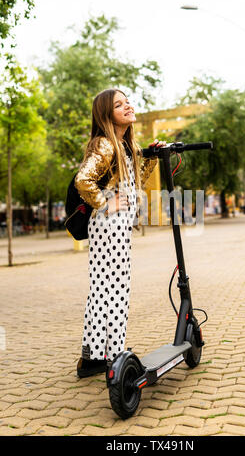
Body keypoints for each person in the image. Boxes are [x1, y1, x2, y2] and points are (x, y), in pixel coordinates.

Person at [75, 88, 166, 378]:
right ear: (106, 114)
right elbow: (83, 180)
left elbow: (137, 181)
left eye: (127, 101)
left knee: (104, 288)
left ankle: (95, 356)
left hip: (116, 226)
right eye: (119, 104)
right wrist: (105, 202)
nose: (127, 106)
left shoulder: (125, 146)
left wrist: (151, 156)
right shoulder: (104, 144)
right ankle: (113, 354)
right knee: (115, 288)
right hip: (108, 225)